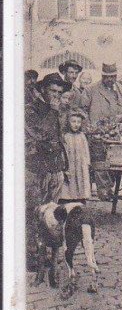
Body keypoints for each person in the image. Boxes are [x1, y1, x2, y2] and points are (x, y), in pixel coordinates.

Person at [25, 73, 67, 269]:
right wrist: (53, 111)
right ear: (43, 89)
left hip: (54, 168)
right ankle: (31, 254)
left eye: (59, 92)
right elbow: (40, 134)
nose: (56, 95)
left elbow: (58, 138)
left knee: (50, 213)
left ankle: (46, 253)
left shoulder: (56, 110)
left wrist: (63, 165)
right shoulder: (31, 110)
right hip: (36, 168)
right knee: (33, 211)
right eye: (52, 91)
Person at [59, 108, 92, 203]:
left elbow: (86, 150)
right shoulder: (65, 136)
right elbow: (63, 151)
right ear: (68, 122)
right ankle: (67, 198)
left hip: (80, 163)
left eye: (78, 122)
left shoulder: (82, 136)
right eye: (73, 122)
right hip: (69, 163)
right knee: (69, 180)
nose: (76, 124)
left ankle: (80, 197)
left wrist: (87, 162)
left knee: (80, 179)